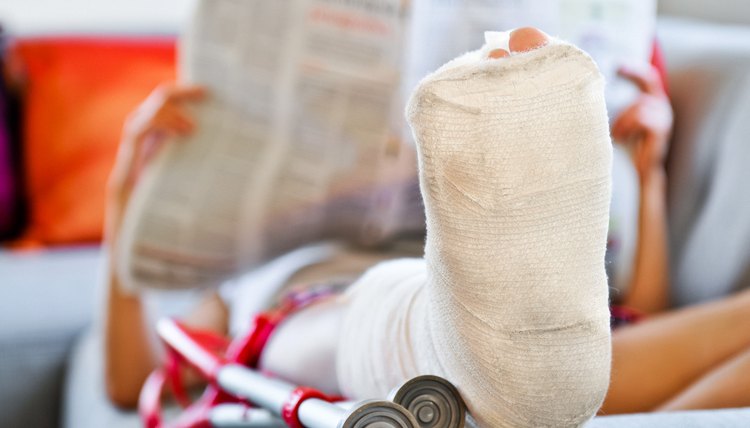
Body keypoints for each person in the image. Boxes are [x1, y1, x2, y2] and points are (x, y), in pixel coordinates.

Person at [103, 27, 750, 425]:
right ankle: (441, 332)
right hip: (328, 305)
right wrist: (124, 208)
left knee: (566, 345)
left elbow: (642, 308)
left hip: (568, 334)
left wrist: (648, 175)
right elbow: (132, 383)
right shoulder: (243, 273)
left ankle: (489, 348)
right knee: (332, 316)